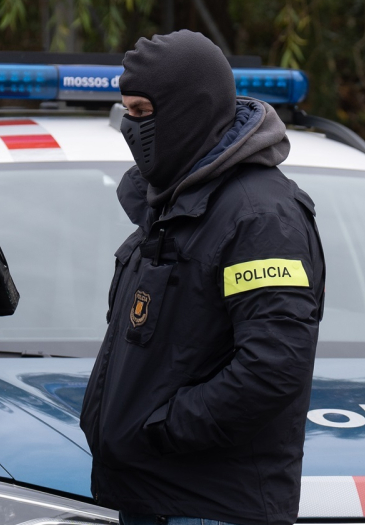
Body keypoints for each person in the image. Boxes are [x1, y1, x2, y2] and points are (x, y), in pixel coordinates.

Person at [79, 30, 326, 525]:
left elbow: (271, 365)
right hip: (155, 499)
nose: (132, 128)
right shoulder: (172, 203)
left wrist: (161, 430)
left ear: (190, 109)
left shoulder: (259, 217)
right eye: (127, 112)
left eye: (143, 113)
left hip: (208, 506)